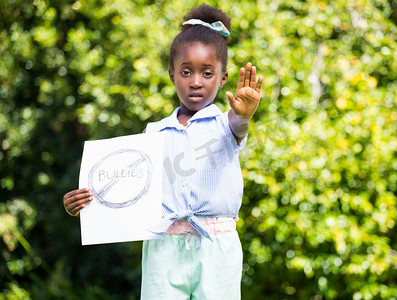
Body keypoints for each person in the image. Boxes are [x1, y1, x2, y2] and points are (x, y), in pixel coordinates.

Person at [63, 4, 262, 299]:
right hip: (163, 250)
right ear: (171, 75)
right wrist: (84, 202)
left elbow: (237, 125)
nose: (196, 81)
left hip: (217, 249)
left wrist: (244, 115)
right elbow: (122, 188)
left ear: (222, 78)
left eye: (207, 73)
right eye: (186, 72)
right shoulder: (152, 134)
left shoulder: (226, 125)